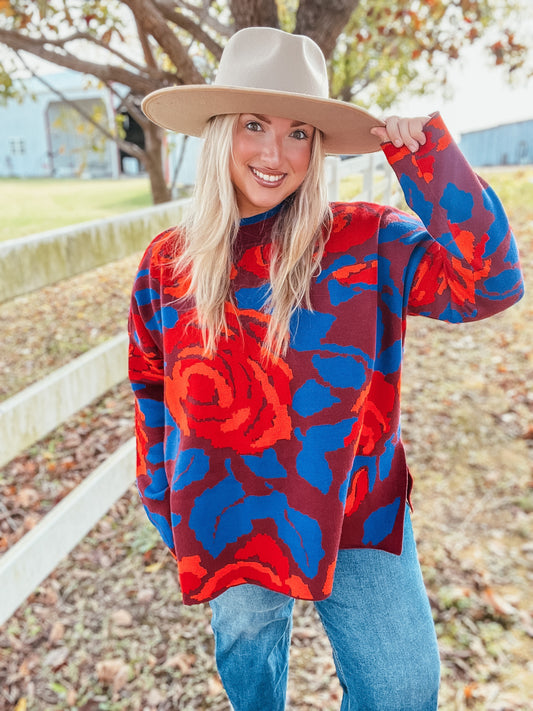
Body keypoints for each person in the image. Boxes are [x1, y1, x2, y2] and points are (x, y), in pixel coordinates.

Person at [128, 26, 524, 711]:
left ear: (317, 146)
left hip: (354, 506)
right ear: (222, 132)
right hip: (228, 513)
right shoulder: (168, 263)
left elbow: (488, 282)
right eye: (254, 125)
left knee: (402, 687)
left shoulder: (367, 239)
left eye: (299, 132)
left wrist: (425, 158)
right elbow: (150, 389)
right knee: (248, 666)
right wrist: (168, 506)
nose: (274, 154)